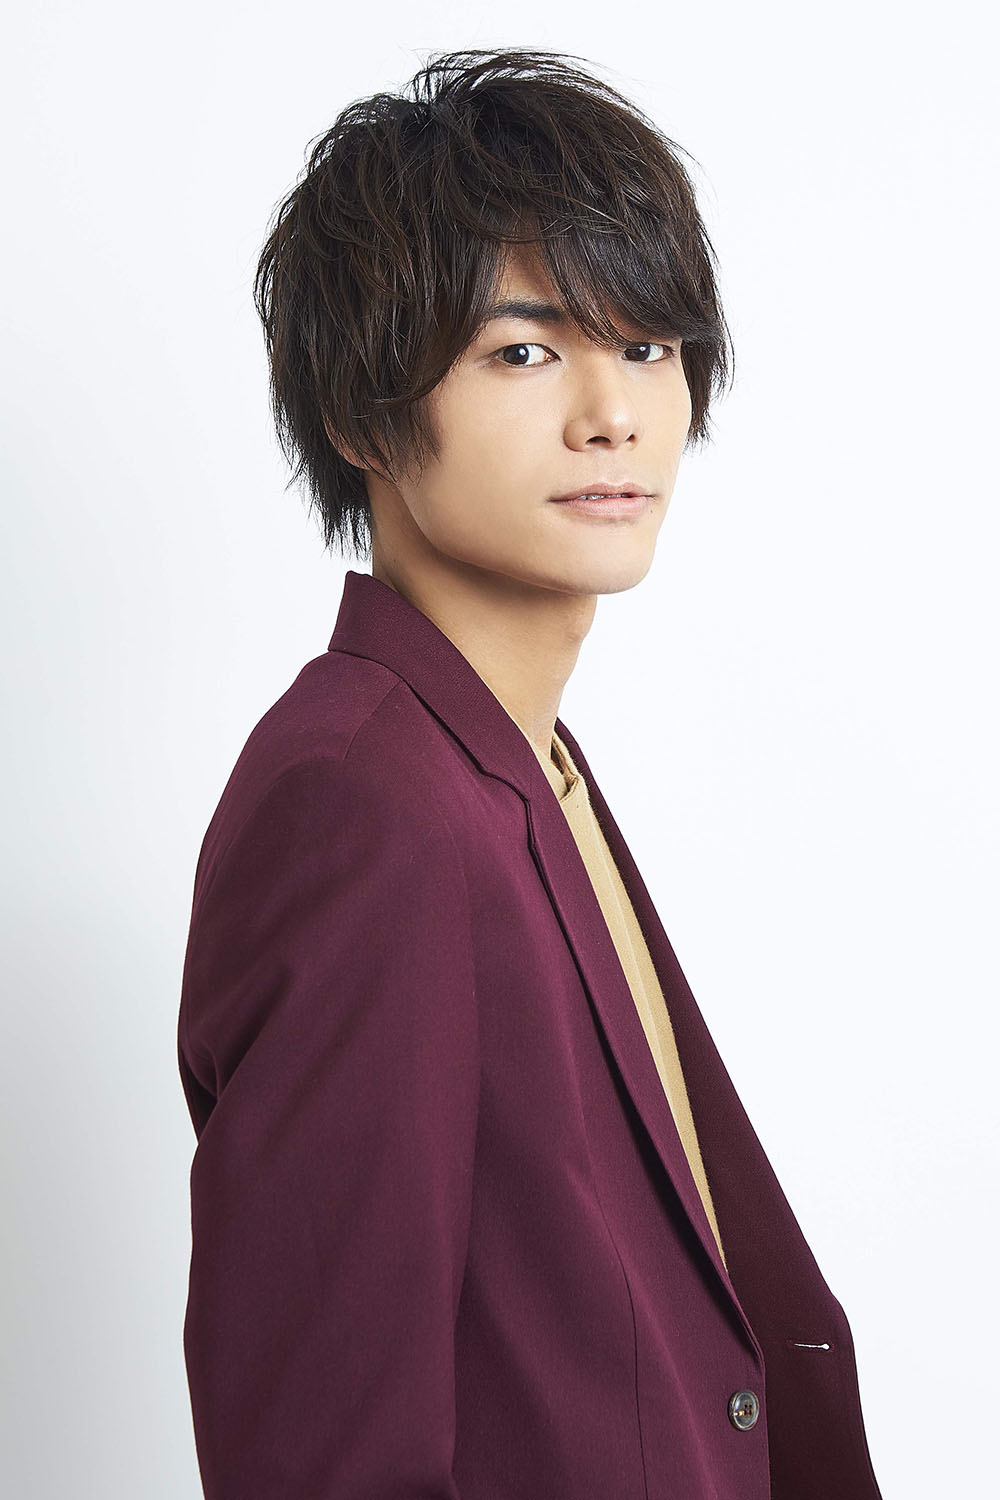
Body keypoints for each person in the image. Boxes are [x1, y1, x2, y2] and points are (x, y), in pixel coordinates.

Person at [176, 47, 885, 1500]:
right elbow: (320, 1458)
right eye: (523, 351)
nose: (614, 412)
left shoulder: (513, 763)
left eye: (650, 346)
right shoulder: (363, 809)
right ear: (363, 416)